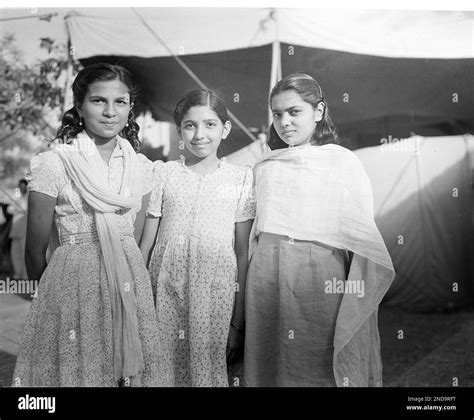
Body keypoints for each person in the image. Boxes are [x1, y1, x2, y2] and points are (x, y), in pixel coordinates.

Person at [12, 63, 160, 387]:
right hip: (71, 285)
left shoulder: (142, 168)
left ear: (130, 108)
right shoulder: (55, 163)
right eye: (98, 101)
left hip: (126, 280)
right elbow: (34, 251)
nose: (110, 112)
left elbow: (131, 239)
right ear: (79, 106)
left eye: (120, 102)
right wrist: (55, 296)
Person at [243, 73, 395, 387]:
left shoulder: (341, 163)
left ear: (319, 111)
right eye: (277, 114)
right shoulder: (265, 167)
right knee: (271, 359)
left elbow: (360, 235)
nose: (284, 122)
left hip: (320, 278)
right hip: (267, 276)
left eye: (294, 111)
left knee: (319, 360)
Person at [139, 89, 255, 387]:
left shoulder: (241, 179)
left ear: (225, 129)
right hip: (163, 291)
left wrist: (238, 324)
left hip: (215, 295)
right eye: (190, 126)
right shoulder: (164, 173)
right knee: (160, 371)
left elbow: (242, 253)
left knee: (206, 372)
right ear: (179, 131)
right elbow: (146, 245)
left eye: (210, 124)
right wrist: (136, 306)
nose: (199, 134)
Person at [6, 179, 29, 279]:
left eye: (23, 186)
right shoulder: (17, 197)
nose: (21, 187)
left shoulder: (29, 197)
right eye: (20, 186)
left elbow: (27, 208)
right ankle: (18, 273)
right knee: (15, 252)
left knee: (24, 251)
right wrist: (16, 208)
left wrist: (21, 209)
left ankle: (25, 274)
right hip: (15, 228)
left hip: (25, 229)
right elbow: (9, 209)